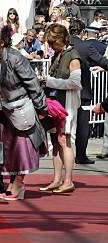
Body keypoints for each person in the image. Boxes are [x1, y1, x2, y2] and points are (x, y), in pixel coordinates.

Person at [0, 25, 47, 201]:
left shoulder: (14, 58)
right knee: (10, 150)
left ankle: (19, 184)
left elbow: (32, 82)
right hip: (4, 112)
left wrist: (41, 107)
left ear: (2, 42)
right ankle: (13, 183)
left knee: (21, 149)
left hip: (20, 110)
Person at [39, 23, 81, 194]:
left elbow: (75, 83)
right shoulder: (59, 54)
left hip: (67, 105)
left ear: (61, 39)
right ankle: (57, 179)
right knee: (56, 142)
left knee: (65, 141)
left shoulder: (73, 56)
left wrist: (48, 81)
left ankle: (68, 180)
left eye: (52, 42)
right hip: (57, 104)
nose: (50, 46)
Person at [69, 20, 108, 165]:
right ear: (82, 32)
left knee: (61, 125)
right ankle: (80, 155)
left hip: (63, 90)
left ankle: (61, 154)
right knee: (82, 124)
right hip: (82, 91)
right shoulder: (86, 46)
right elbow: (101, 61)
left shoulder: (63, 45)